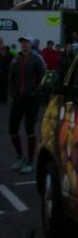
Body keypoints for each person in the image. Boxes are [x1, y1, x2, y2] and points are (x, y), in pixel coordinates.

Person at [8, 35, 46, 174]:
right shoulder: (16, 59)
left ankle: (30, 161)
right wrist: (13, 93)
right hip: (18, 100)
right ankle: (20, 157)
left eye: (26, 42)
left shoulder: (36, 59)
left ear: (31, 44)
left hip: (31, 101)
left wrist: (35, 93)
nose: (24, 45)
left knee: (30, 130)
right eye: (22, 43)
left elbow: (43, 77)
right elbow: (11, 78)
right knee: (13, 129)